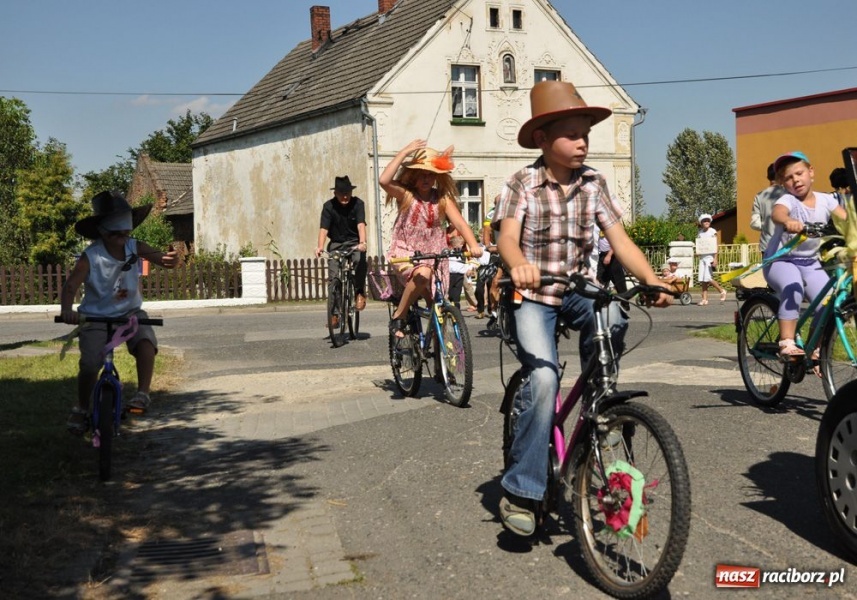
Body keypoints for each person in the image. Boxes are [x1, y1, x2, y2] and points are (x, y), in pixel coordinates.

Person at [492, 80, 671, 537]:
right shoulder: (522, 183)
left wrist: (650, 280)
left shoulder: (594, 182)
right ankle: (522, 489)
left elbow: (621, 241)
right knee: (545, 377)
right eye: (571, 134)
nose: (582, 143)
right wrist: (518, 265)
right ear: (541, 139)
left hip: (574, 288)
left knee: (613, 317)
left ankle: (599, 411)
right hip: (530, 294)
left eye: (585, 134)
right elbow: (507, 237)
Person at [61, 190, 180, 432]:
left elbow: (164, 260)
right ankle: (82, 408)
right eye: (116, 232)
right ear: (102, 231)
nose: (122, 237)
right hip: (94, 318)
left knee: (146, 342)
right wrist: (67, 311)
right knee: (90, 364)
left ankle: (142, 394)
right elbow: (71, 285)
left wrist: (172, 259)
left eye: (126, 231)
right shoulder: (90, 256)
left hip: (130, 315)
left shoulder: (135, 247)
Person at [380, 139, 482, 337]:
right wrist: (404, 151)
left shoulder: (442, 198)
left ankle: (437, 352)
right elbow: (384, 181)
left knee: (436, 304)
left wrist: (474, 245)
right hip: (408, 253)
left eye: (430, 175)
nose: (426, 179)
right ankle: (399, 317)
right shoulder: (406, 194)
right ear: (413, 176)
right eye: (421, 175)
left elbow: (460, 224)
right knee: (423, 274)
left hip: (435, 254)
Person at [763, 151, 847, 359]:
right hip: (780, 260)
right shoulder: (788, 200)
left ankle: (814, 347)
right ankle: (787, 342)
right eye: (789, 178)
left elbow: (846, 220)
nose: (795, 180)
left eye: (799, 173)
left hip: (809, 262)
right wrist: (788, 221)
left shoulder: (826, 200)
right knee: (794, 287)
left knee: (828, 303)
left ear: (811, 172)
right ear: (783, 183)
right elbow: (778, 213)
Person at [315, 175, 368, 327]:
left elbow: (360, 225)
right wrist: (319, 246)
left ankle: (359, 292)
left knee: (359, 259)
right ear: (335, 193)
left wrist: (362, 242)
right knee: (333, 279)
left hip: (354, 243)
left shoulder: (358, 204)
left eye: (347, 193)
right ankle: (335, 314)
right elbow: (324, 229)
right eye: (341, 193)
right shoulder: (328, 207)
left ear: (351, 192)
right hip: (336, 244)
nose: (345, 196)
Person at [750, 163, 785, 253]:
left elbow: (755, 223)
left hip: (766, 245)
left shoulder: (759, 196)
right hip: (785, 245)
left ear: (768, 177)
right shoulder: (788, 194)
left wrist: (766, 225)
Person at [695, 213, 727, 305]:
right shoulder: (700, 233)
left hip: (710, 257)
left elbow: (715, 245)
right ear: (701, 223)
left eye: (708, 220)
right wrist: (698, 252)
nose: (706, 222)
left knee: (708, 278)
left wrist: (715, 258)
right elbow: (700, 245)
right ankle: (704, 299)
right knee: (703, 279)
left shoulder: (712, 231)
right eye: (704, 221)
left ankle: (722, 291)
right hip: (702, 258)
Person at [596, 229, 628, 295]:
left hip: (613, 256)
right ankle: (600, 301)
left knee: (619, 282)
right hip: (602, 255)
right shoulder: (598, 226)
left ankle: (625, 303)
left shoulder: (611, 226)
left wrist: (609, 255)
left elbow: (616, 243)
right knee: (599, 280)